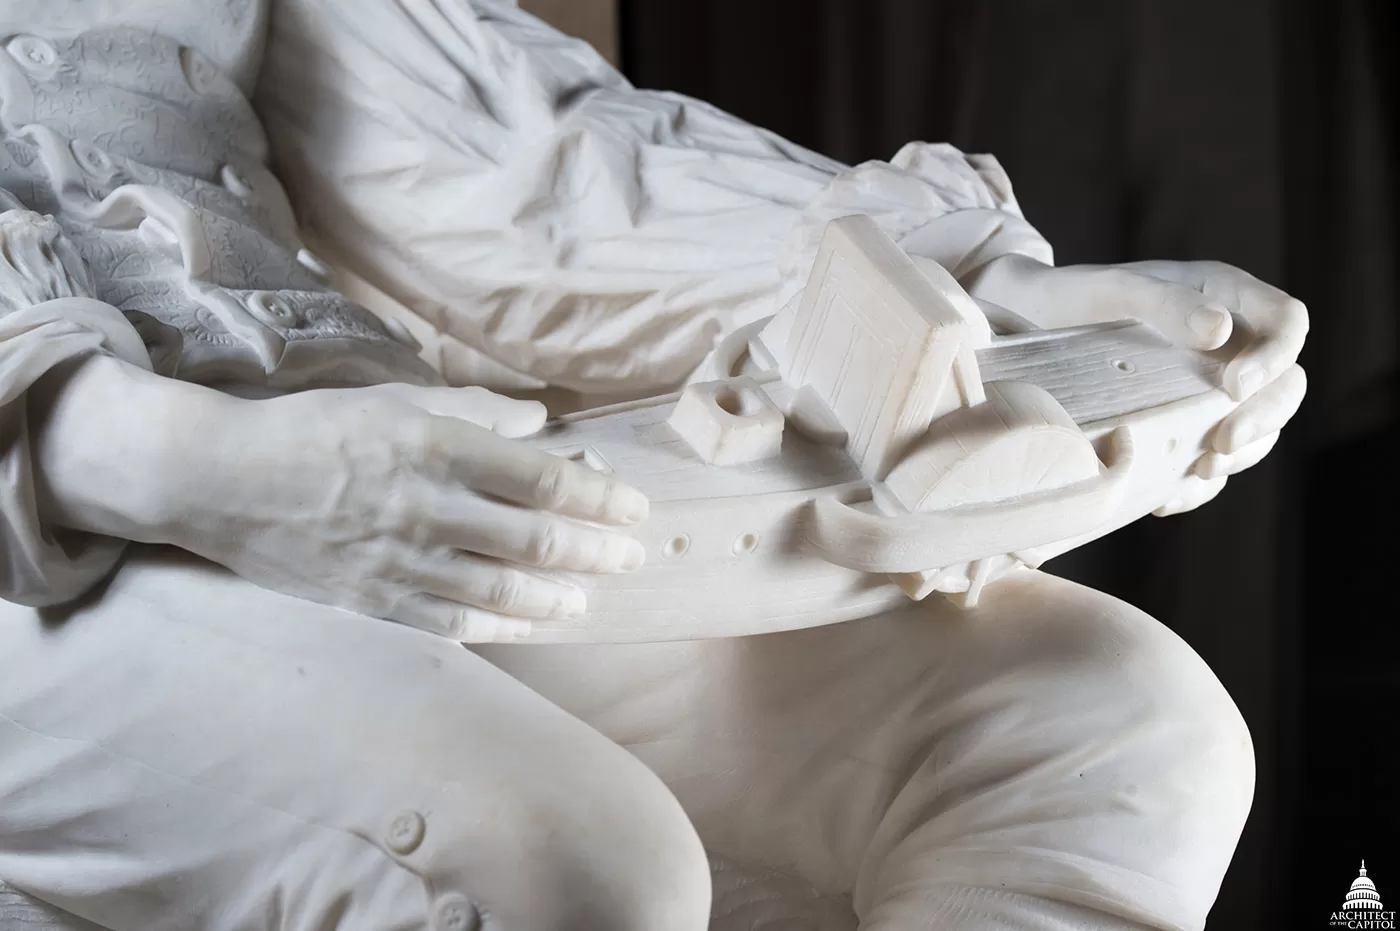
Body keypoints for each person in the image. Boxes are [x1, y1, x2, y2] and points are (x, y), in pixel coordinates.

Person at [0, 1, 1306, 929]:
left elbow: (530, 171)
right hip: (52, 555)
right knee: (575, 863)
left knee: (1115, 726)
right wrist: (177, 460)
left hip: (366, 456)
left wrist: (982, 292)